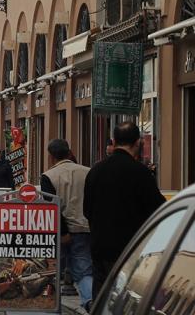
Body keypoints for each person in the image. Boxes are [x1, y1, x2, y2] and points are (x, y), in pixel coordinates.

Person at [84, 122, 165, 301]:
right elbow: (158, 211)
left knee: (102, 297)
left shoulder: (95, 171)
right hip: (130, 251)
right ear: (138, 142)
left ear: (113, 141)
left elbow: (87, 211)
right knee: (125, 300)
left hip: (100, 248)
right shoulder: (141, 173)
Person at [40, 139, 92, 312]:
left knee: (54, 273)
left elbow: (52, 207)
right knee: (84, 271)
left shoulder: (49, 176)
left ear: (51, 156)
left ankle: (53, 308)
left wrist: (62, 232)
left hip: (60, 232)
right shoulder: (88, 172)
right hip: (85, 228)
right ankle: (90, 302)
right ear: (69, 153)